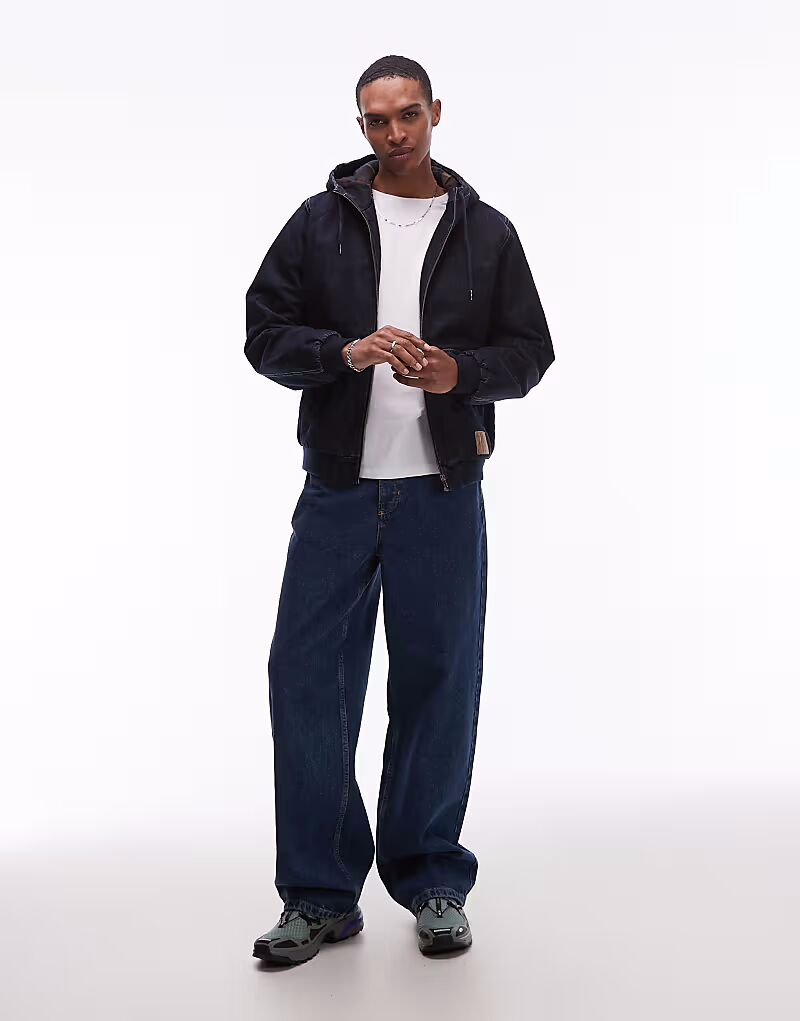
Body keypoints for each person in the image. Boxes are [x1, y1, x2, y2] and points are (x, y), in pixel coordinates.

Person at [246, 54, 555, 966]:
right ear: (361, 127)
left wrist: (462, 373)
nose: (394, 133)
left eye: (408, 115)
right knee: (306, 678)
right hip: (338, 489)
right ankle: (318, 895)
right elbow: (263, 331)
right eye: (377, 120)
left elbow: (531, 349)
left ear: (435, 113)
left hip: (443, 492)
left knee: (438, 683)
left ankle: (430, 881)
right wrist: (342, 353)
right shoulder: (320, 222)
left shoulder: (485, 231)